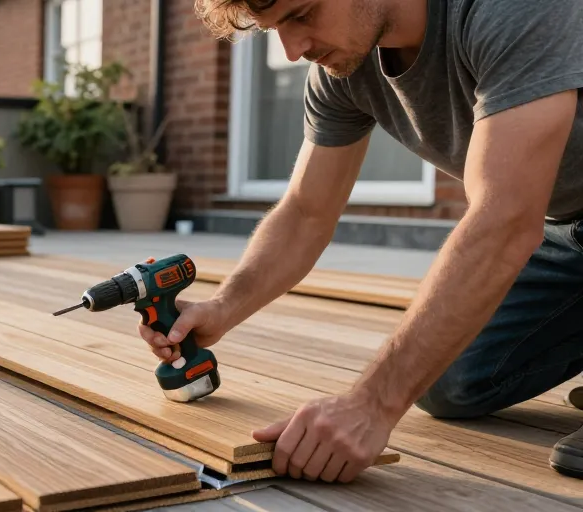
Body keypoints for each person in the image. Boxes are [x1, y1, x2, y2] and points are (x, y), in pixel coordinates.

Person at [137, 0, 583, 484]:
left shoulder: (513, 9)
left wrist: (372, 403)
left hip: (539, 222)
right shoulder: (343, 68)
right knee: (449, 381)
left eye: (301, 14)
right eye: (276, 29)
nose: (292, 51)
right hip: (569, 229)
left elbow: (505, 219)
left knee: (403, 379)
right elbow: (306, 213)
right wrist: (224, 306)